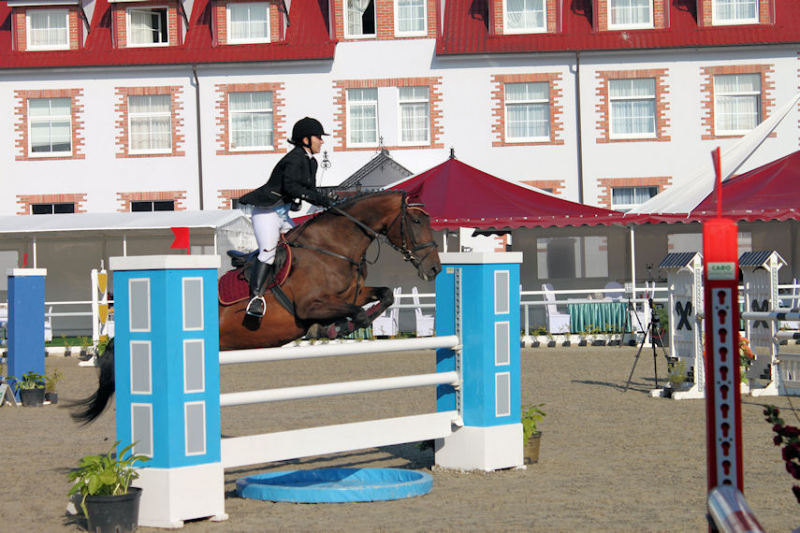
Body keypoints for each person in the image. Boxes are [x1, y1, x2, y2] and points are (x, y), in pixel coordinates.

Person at [238, 117, 336, 318]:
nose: (322, 141)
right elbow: (292, 187)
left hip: (281, 212)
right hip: (266, 211)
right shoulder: (294, 159)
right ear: (306, 139)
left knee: (300, 245)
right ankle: (255, 299)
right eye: (318, 137)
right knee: (268, 252)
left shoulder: (311, 162)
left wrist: (329, 202)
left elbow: (309, 190)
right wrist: (322, 200)